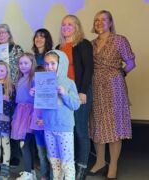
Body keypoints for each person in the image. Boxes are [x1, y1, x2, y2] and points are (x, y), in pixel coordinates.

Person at [88, 10, 135, 179]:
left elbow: (130, 62)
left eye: (103, 20)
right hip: (95, 87)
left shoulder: (119, 40)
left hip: (114, 87)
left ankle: (113, 165)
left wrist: (120, 74)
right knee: (97, 124)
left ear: (110, 22)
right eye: (96, 20)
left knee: (115, 125)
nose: (99, 23)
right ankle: (100, 161)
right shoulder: (91, 44)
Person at [56, 14, 94, 180]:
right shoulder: (58, 47)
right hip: (63, 95)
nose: (66, 27)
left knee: (80, 130)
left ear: (77, 27)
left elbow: (88, 69)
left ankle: (82, 167)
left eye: (70, 24)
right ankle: (69, 165)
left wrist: (83, 91)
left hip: (79, 93)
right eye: (63, 25)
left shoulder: (83, 44)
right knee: (67, 131)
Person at [0, 23, 24, 167]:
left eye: (3, 32)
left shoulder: (17, 49)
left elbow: (23, 69)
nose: (1, 35)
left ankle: (13, 155)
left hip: (11, 89)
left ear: (9, 34)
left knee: (12, 122)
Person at [40, 50, 80, 179]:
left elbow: (76, 105)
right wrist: (35, 94)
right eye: (46, 64)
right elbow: (43, 106)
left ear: (61, 64)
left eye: (53, 63)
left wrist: (65, 94)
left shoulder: (69, 83)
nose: (49, 67)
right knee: (54, 162)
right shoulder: (43, 82)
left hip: (64, 128)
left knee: (67, 162)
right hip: (49, 127)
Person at [11, 53, 37, 179]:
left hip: (29, 113)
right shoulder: (20, 79)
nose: (23, 65)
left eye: (26, 63)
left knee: (25, 144)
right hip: (20, 112)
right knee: (27, 144)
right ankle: (30, 171)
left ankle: (28, 172)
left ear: (32, 64)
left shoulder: (34, 79)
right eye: (21, 63)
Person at [29, 65, 52, 180]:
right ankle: (44, 175)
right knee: (41, 154)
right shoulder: (33, 90)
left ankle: (53, 176)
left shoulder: (52, 90)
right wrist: (32, 93)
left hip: (49, 126)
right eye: (36, 77)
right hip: (37, 127)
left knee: (51, 154)